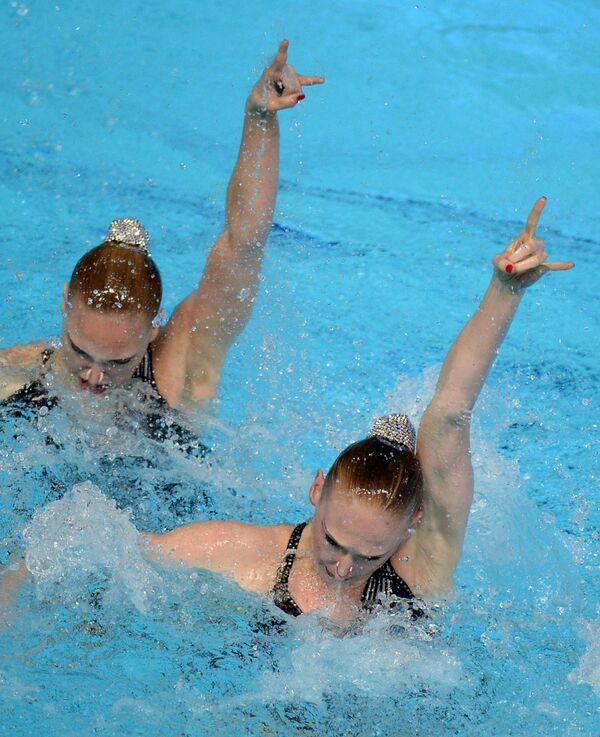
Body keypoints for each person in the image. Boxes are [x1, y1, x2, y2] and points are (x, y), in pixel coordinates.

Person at [144, 198, 573, 618]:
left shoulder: (420, 572)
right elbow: (126, 552)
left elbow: (450, 413)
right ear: (316, 491)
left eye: (371, 555)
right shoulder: (253, 557)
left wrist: (505, 292)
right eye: (331, 541)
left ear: (413, 523)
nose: (343, 569)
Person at [0, 42, 324, 423]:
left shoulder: (182, 368)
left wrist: (259, 117)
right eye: (79, 351)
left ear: (154, 328)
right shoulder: (15, 374)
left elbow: (245, 243)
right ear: (64, 302)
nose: (93, 378)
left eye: (119, 361)